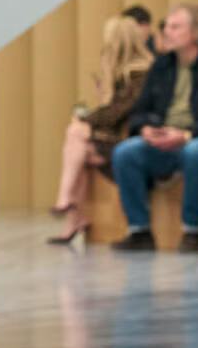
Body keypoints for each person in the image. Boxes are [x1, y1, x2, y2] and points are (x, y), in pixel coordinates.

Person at [110, 3, 198, 251]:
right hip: (163, 137)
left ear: (195, 32)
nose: (167, 31)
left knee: (196, 151)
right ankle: (139, 230)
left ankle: (193, 231)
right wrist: (145, 128)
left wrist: (186, 134)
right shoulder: (161, 66)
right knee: (125, 152)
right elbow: (140, 110)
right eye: (166, 26)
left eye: (176, 27)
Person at [47, 15, 152, 245]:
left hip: (130, 138)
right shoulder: (121, 71)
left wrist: (87, 120)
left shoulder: (140, 73)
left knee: (76, 133)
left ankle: (66, 203)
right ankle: (74, 217)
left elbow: (118, 111)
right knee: (79, 147)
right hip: (115, 137)